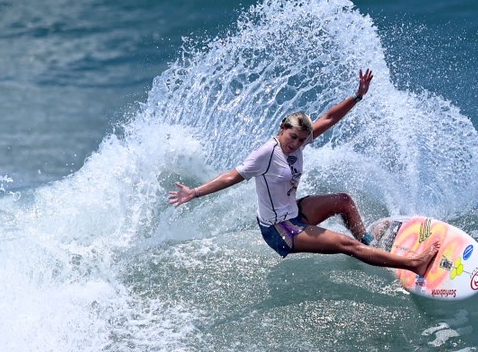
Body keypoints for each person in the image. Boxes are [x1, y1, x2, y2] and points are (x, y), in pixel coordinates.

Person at [168, 69, 440, 277]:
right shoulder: (266, 154)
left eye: (302, 139)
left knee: (344, 201)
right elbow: (231, 176)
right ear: (282, 128)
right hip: (280, 229)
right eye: (293, 137)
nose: (296, 144)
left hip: (294, 211)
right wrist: (194, 192)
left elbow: (329, 118)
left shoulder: (300, 140)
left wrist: (357, 96)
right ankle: (413, 264)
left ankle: (369, 242)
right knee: (346, 245)